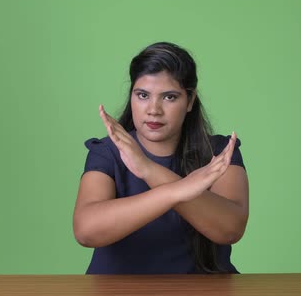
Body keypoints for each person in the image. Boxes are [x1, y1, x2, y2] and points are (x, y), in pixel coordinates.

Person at [73, 42, 249, 274]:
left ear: (190, 101)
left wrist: (149, 170)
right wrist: (178, 190)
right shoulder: (107, 152)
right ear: (132, 97)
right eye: (143, 95)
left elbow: (230, 229)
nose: (153, 109)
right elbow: (86, 231)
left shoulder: (218, 152)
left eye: (169, 97)